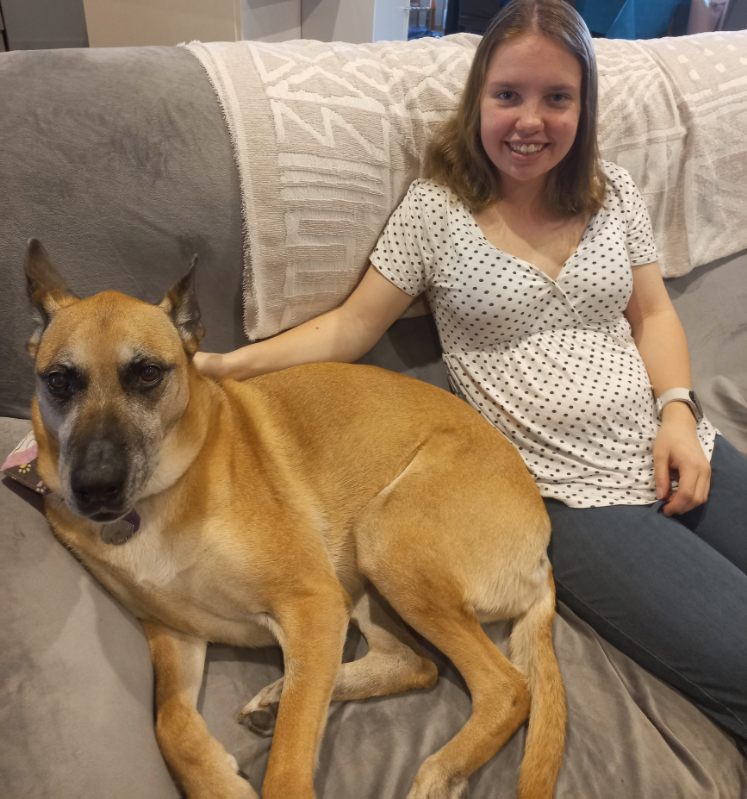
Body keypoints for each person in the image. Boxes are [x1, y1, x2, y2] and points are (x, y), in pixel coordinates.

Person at [195, 0, 747, 748]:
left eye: (557, 97)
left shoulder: (612, 191)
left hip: (671, 441)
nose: (530, 119)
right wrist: (225, 365)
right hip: (566, 496)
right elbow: (350, 328)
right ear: (477, 101)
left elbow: (652, 314)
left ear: (583, 108)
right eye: (508, 95)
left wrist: (678, 412)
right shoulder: (436, 209)